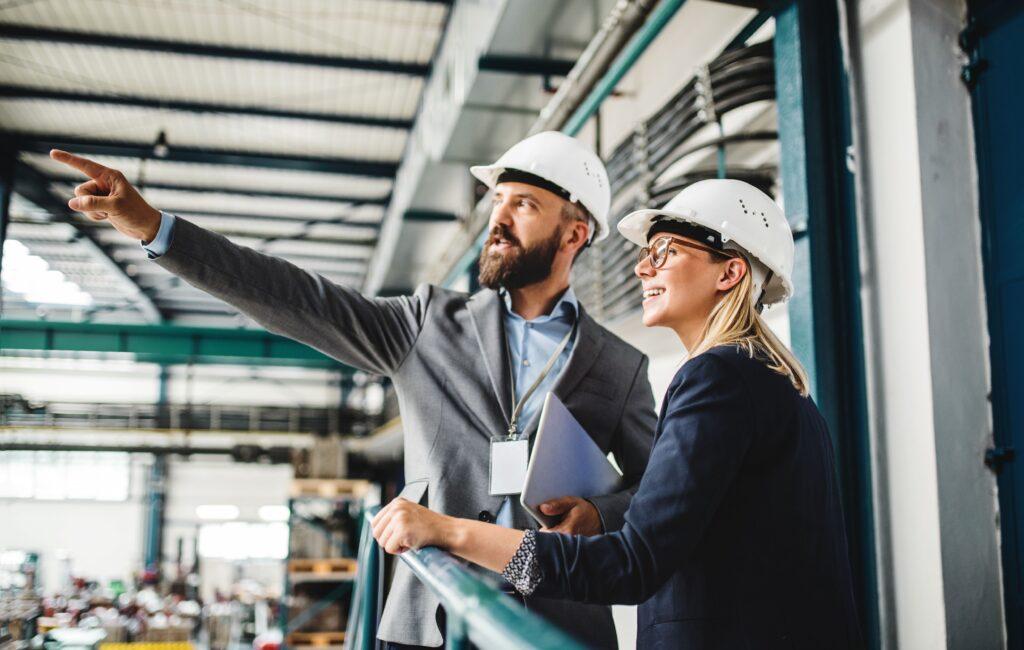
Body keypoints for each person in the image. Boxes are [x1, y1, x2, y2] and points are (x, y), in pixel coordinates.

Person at [49, 131, 657, 649]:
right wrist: (157, 229)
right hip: (431, 619)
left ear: (575, 234)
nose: (496, 219)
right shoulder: (426, 323)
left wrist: (601, 513)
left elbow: (659, 490)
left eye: (523, 204)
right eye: (497, 200)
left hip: (558, 621)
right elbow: (294, 296)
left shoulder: (619, 363)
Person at [370, 179, 863, 649]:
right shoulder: (772, 381)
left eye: (664, 251)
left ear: (729, 272)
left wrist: (450, 531)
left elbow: (631, 565)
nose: (642, 270)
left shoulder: (718, 380)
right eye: (646, 255)